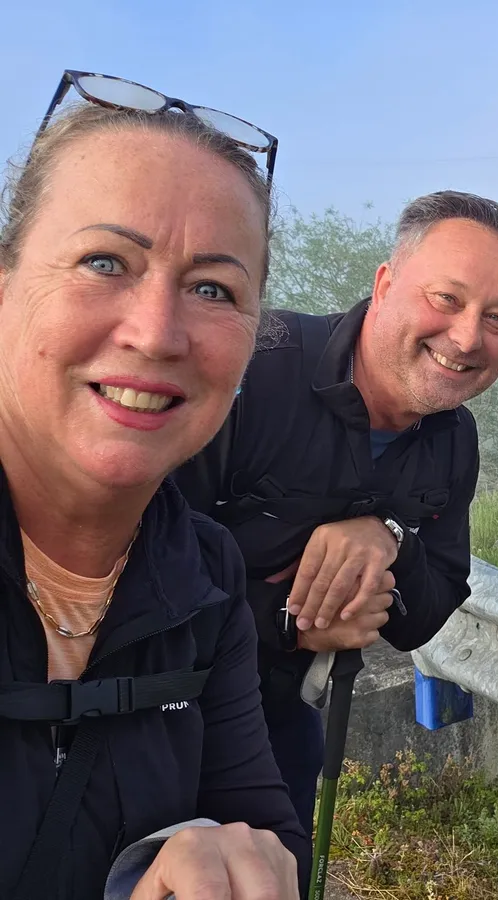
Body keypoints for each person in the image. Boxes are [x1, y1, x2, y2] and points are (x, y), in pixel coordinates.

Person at [0, 70, 312, 899]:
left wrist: (213, 853)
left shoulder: (204, 580)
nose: (157, 333)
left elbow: (261, 823)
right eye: (105, 261)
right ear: (3, 286)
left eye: (214, 289)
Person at [171, 189, 498, 842]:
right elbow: (132, 566)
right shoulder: (255, 370)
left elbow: (429, 606)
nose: (466, 337)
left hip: (276, 734)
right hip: (149, 724)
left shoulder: (453, 440)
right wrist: (293, 623)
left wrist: (389, 536)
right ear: (386, 284)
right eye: (446, 299)